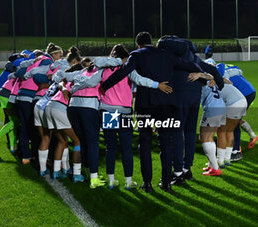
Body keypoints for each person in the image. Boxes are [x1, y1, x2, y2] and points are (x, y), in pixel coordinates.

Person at [100, 32, 203, 192]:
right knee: (165, 144)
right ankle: (166, 182)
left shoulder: (137, 55)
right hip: (167, 105)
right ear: (152, 42)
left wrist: (105, 86)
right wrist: (199, 73)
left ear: (138, 45)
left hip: (145, 105)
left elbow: (123, 72)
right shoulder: (166, 54)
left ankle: (147, 183)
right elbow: (188, 65)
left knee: (145, 144)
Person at [70, 44, 172, 190]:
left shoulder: (104, 69)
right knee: (126, 148)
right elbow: (140, 80)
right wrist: (157, 85)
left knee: (111, 147)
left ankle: (111, 180)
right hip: (124, 111)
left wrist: (73, 88)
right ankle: (128, 182)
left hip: (107, 110)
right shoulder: (127, 69)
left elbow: (89, 82)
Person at [157, 35, 224, 185]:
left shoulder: (169, 56)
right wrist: (219, 83)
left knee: (177, 133)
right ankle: (187, 169)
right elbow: (213, 70)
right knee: (190, 133)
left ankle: (178, 173)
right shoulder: (193, 56)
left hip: (179, 96)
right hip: (195, 96)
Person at [34, 46, 82, 178]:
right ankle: (65, 169)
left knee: (47, 138)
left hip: (40, 105)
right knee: (65, 140)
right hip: (52, 107)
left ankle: (45, 170)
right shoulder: (72, 79)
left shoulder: (59, 75)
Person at [16, 43, 62, 164]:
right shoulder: (47, 61)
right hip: (31, 95)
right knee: (38, 130)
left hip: (20, 95)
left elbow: (19, 72)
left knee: (25, 127)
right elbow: (39, 77)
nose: (61, 57)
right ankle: (40, 157)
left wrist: (26, 75)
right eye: (59, 54)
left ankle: (26, 155)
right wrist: (49, 79)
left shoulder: (36, 60)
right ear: (54, 54)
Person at [217, 63, 257, 161]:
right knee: (235, 120)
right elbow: (239, 71)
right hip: (250, 91)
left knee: (233, 122)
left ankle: (236, 151)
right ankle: (251, 136)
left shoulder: (219, 74)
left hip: (242, 94)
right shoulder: (231, 68)